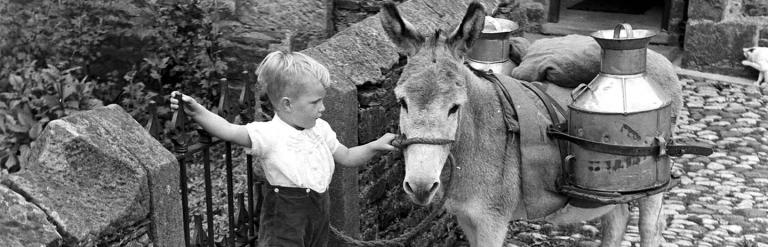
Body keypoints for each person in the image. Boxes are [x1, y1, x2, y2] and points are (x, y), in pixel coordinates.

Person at [169, 51, 397, 247]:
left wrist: (375, 146)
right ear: (287, 104)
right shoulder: (269, 134)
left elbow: (346, 156)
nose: (323, 107)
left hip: (318, 217)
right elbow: (229, 129)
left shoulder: (321, 129)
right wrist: (198, 112)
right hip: (284, 222)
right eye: (315, 102)